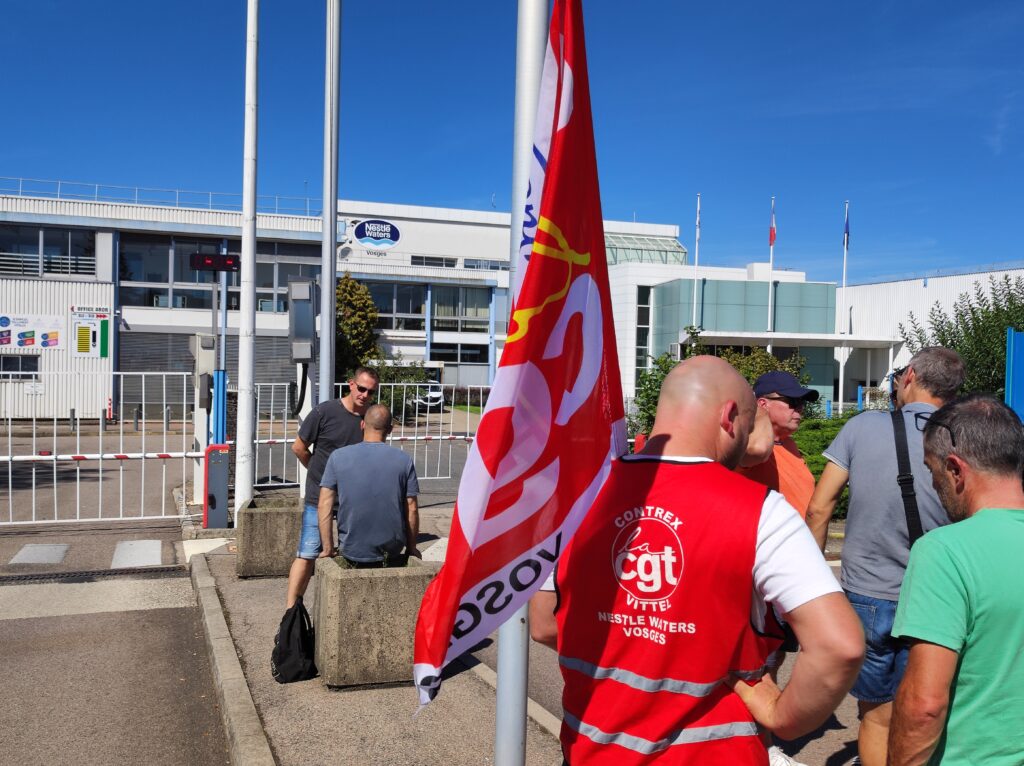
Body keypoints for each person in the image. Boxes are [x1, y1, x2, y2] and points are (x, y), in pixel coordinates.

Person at [534, 355, 864, 764]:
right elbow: (839, 646)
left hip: (591, 749)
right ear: (729, 416)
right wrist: (785, 718)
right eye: (746, 424)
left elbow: (545, 622)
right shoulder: (763, 512)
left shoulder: (578, 499)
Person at [805, 346, 965, 766]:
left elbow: (820, 508)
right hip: (936, 594)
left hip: (866, 594)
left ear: (909, 375)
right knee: (929, 707)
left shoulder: (860, 428)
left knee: (875, 715)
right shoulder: (964, 435)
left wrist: (812, 586)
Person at [888, 396, 1024, 765]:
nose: (934, 485)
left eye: (932, 472)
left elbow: (924, 705)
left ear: (955, 469)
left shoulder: (944, 551)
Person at [285, 366, 379, 607]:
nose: (364, 395)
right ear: (350, 384)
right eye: (361, 388)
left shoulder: (369, 419)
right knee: (307, 554)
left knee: (356, 555)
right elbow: (299, 447)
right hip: (319, 498)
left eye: (370, 392)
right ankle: (290, 612)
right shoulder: (325, 412)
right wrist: (321, 475)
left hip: (353, 501)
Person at [316, 403, 420, 567]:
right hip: (392, 550)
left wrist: (328, 548)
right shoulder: (404, 460)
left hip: (351, 549)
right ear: (390, 429)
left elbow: (324, 504)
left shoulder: (337, 457)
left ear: (362, 424)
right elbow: (411, 507)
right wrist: (412, 547)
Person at [738, 370, 819, 517]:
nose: (800, 408)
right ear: (763, 404)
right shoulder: (750, 441)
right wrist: (758, 412)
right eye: (793, 401)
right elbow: (754, 451)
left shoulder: (788, 443)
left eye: (802, 402)